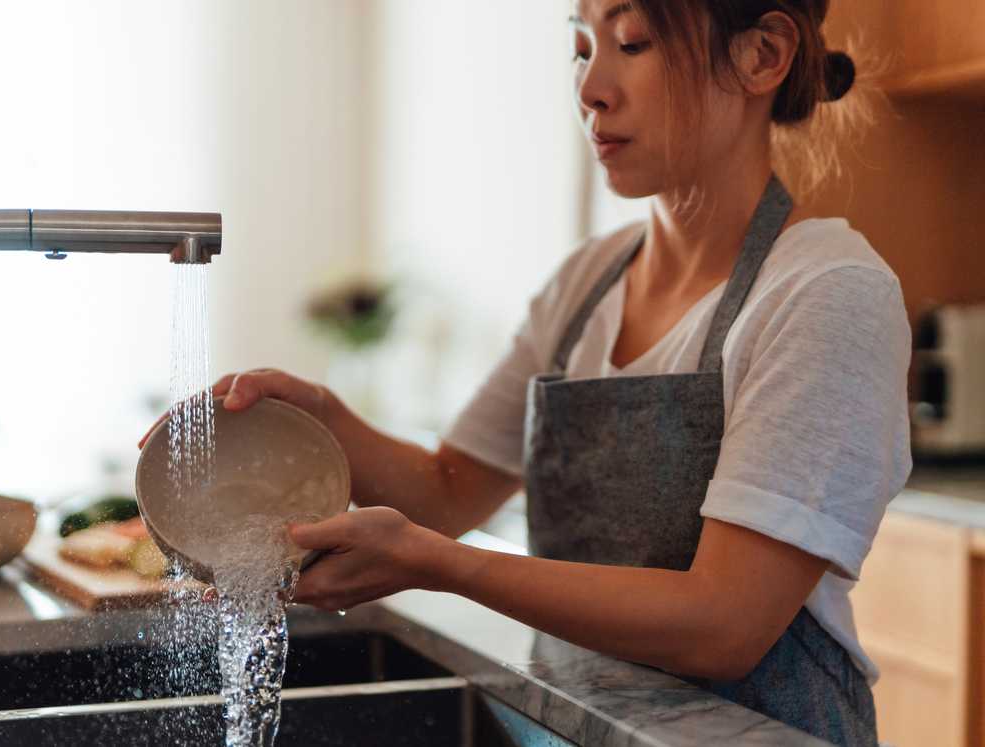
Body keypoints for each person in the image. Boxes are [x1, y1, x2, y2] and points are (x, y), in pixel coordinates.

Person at [150, 2, 911, 744]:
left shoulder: (827, 291)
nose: (590, 89)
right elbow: (450, 489)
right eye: (581, 48)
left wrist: (439, 564)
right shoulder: (587, 283)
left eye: (634, 42)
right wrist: (323, 416)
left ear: (762, 55)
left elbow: (724, 622)